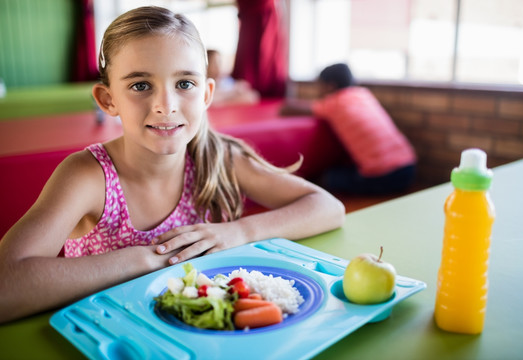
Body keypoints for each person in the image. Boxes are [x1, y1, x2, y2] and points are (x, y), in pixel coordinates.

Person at [0, 6, 344, 323]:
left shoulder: (219, 157)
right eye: (140, 85)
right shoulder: (88, 175)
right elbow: (7, 284)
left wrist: (239, 232)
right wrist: (147, 259)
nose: (166, 105)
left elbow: (328, 207)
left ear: (206, 94)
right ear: (108, 100)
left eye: (184, 84)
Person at [281, 63, 417, 195]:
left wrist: (282, 107)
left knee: (327, 178)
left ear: (330, 86)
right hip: (409, 167)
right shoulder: (363, 95)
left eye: (320, 86)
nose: (318, 91)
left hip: (385, 175)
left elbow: (288, 110)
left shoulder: (335, 103)